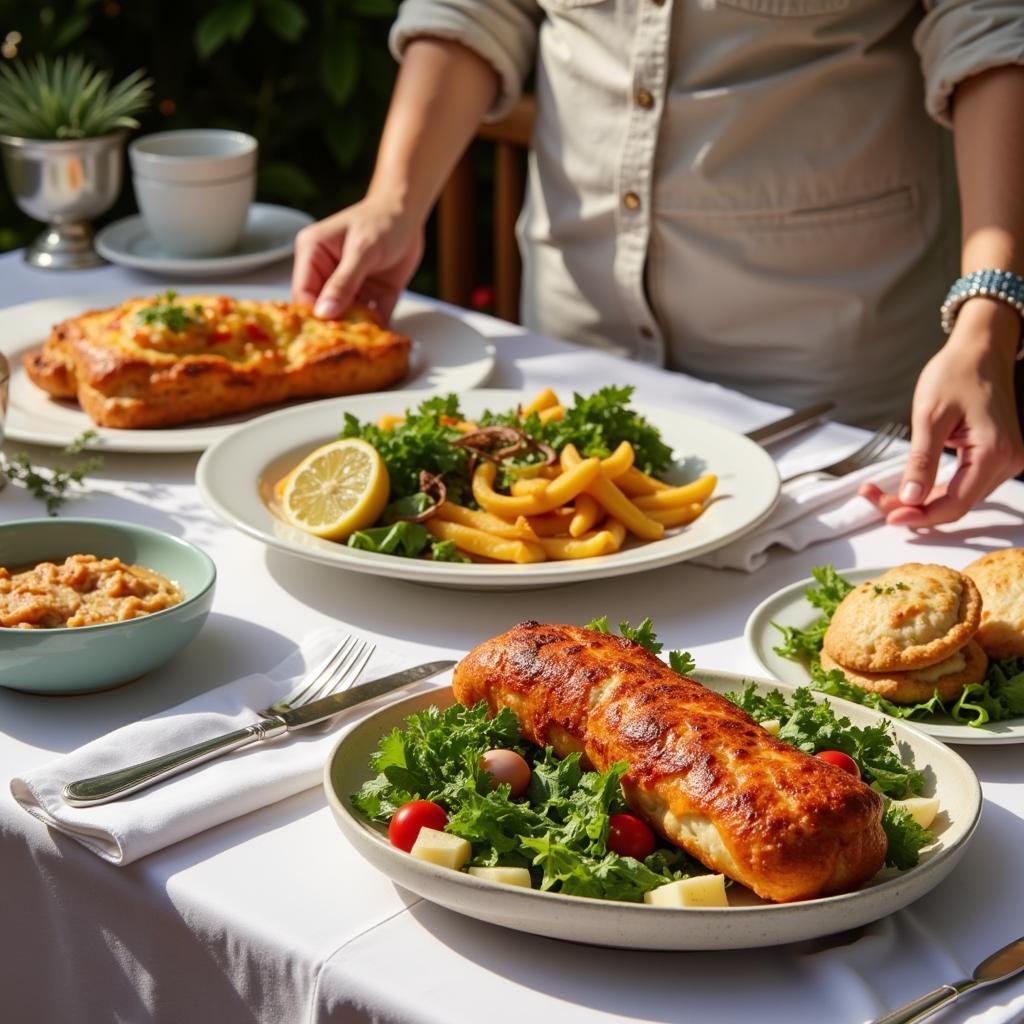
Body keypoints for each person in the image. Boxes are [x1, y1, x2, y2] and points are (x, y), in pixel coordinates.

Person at [292, 1, 1024, 529]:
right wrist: (394, 198)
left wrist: (987, 322)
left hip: (826, 402)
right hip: (569, 354)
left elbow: (992, 26)